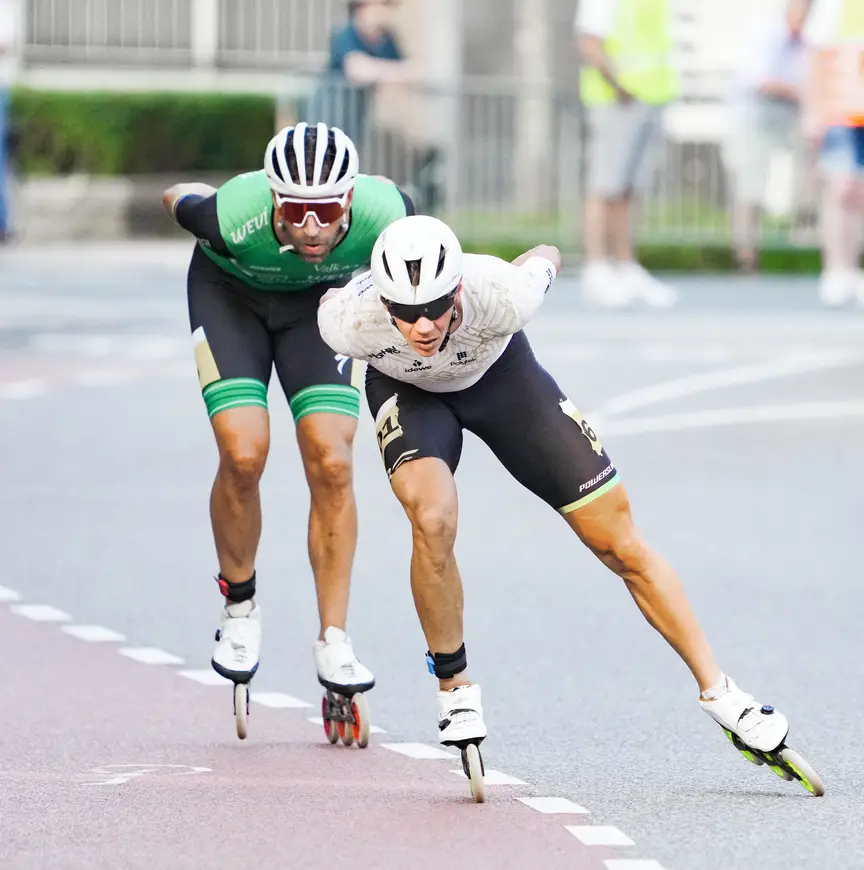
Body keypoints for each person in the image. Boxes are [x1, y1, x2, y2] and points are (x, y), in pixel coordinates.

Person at [317, 214, 823, 795]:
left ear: (457, 289)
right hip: (410, 396)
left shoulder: (502, 293)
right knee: (432, 518)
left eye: (435, 306)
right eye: (406, 313)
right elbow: (322, 302)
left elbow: (547, 251)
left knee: (619, 542)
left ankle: (724, 695)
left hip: (504, 382)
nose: (424, 325)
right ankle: (455, 689)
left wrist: (529, 268)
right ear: (385, 304)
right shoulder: (350, 320)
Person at [161, 122, 414, 713]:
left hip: (319, 310)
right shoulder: (230, 216)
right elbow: (176, 196)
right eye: (297, 210)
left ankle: (334, 639)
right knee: (243, 451)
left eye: (328, 210)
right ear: (274, 198)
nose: (312, 227)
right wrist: (191, 194)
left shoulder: (388, 212)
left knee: (332, 459)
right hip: (230, 300)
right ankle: (240, 606)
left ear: (350, 197)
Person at [574, 0, 678, 307]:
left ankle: (625, 264)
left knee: (626, 190)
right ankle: (596, 266)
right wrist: (618, 85)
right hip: (616, 100)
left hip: (648, 98)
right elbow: (589, 43)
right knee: (604, 186)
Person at [802, 0, 864, 305]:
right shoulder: (835, 7)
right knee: (841, 189)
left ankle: (854, 269)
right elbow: (815, 61)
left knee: (860, 194)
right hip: (839, 113)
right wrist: (812, 112)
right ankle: (836, 270)